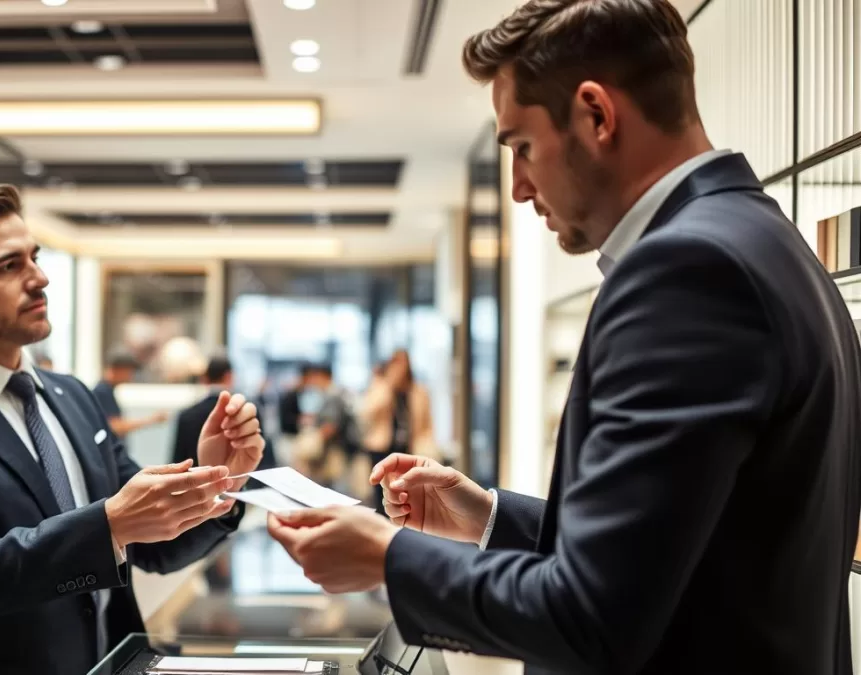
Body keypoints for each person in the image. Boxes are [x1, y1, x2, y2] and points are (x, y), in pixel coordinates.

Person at [267, 1, 861, 673]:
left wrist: (386, 556)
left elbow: (593, 617)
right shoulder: (766, 241)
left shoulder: (686, 271)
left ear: (595, 115)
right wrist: (487, 516)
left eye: (521, 147)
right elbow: (678, 546)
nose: (518, 188)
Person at [0, 184, 266, 675]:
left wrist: (218, 479)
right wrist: (108, 524)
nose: (40, 279)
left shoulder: (73, 397)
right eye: (9, 267)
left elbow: (152, 544)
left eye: (35, 258)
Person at [358, 350, 434, 513]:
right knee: (380, 493)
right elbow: (368, 412)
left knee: (404, 491)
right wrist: (389, 384)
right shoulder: (380, 386)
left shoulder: (419, 391)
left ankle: (400, 527)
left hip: (407, 448)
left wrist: (427, 442)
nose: (399, 368)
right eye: (395, 363)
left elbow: (427, 422)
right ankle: (381, 526)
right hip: (381, 447)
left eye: (402, 363)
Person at [171, 356, 276, 471]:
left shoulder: (186, 415)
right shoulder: (246, 413)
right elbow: (265, 459)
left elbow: (176, 465)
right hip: (241, 482)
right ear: (229, 377)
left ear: (205, 379)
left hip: (193, 485)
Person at [92, 350, 167, 438]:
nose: (130, 376)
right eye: (129, 372)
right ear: (119, 370)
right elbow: (114, 426)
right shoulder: (102, 392)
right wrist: (151, 420)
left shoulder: (108, 390)